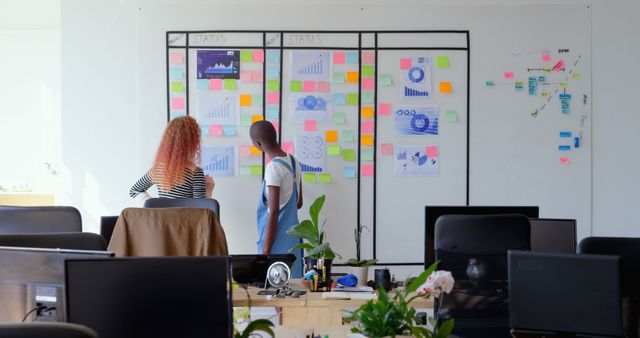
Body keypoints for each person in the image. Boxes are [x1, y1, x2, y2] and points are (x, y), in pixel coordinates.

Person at [250, 120, 304, 277]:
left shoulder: (273, 168)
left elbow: (273, 211)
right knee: (293, 288)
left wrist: (265, 251)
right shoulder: (295, 162)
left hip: (275, 240)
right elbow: (298, 203)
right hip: (294, 240)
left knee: (274, 289)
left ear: (258, 144)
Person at [130, 116, 214, 201]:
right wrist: (209, 190)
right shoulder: (195, 172)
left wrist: (153, 206)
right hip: (186, 215)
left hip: (162, 215)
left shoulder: (158, 170)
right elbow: (201, 210)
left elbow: (134, 190)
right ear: (192, 142)